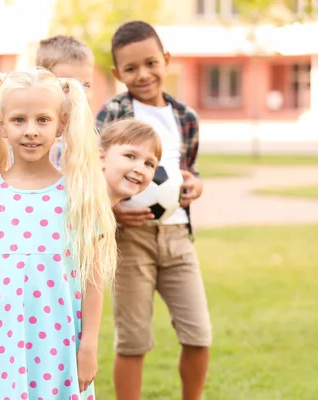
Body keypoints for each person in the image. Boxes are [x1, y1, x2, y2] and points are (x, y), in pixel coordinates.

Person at [0, 68, 117, 400]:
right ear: (0, 123)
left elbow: (92, 276)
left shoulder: (78, 197)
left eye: (42, 120)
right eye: (19, 120)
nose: (31, 131)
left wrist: (89, 346)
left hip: (59, 344)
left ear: (62, 124)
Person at [96, 21, 211, 400]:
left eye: (150, 63)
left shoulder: (186, 117)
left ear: (166, 59)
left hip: (178, 237)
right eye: (130, 68)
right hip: (129, 241)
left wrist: (195, 183)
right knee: (133, 341)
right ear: (117, 73)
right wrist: (113, 214)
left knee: (198, 334)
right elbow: (89, 173)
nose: (142, 74)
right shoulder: (111, 114)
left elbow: (186, 170)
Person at [35, 35, 95, 169]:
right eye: (66, 86)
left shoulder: (92, 140)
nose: (78, 94)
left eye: (85, 85)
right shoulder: (34, 137)